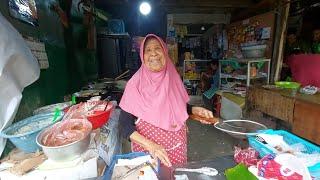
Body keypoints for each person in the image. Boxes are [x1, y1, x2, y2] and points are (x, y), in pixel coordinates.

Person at [119, 34, 218, 167]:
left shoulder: (173, 77)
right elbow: (125, 126)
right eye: (148, 50)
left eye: (157, 48)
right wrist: (152, 146)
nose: (153, 53)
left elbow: (174, 106)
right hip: (148, 153)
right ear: (143, 56)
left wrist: (193, 110)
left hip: (177, 149)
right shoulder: (134, 85)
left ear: (165, 52)